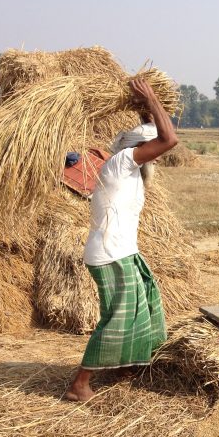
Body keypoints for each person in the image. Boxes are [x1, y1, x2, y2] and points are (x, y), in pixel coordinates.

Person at [66, 79, 179, 402]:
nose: (154, 159)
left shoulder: (131, 170)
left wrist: (146, 108)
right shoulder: (120, 164)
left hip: (124, 250)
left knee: (144, 304)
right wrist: (152, 97)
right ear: (137, 150)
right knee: (117, 317)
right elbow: (169, 138)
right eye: (151, 153)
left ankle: (126, 365)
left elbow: (158, 135)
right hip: (109, 253)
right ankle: (79, 384)